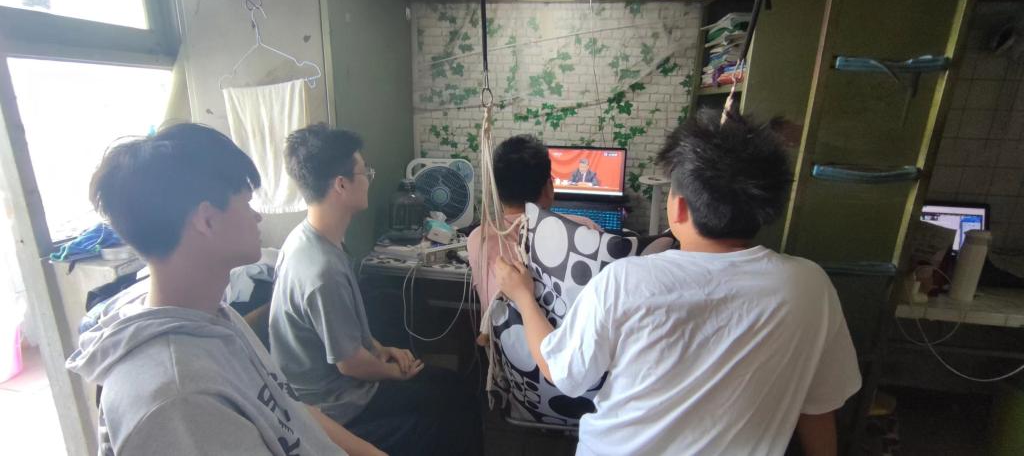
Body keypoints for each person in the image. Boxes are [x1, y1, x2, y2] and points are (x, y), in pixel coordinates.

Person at [495, 110, 862, 456]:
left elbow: (562, 373)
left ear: (679, 207)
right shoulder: (810, 287)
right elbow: (819, 408)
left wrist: (523, 296)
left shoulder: (625, 280)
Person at [66, 123, 381, 456]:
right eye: (246, 202)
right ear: (207, 220)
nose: (257, 217)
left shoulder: (216, 317)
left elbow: (292, 411)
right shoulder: (178, 399)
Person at [269, 123, 482, 455]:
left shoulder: (304, 239)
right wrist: (394, 373)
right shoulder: (322, 270)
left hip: (337, 385)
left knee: (450, 386)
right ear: (341, 184)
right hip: (335, 405)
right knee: (454, 400)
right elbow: (350, 364)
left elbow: (345, 335)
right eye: (364, 172)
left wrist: (381, 349)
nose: (369, 178)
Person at [468, 134, 600, 339]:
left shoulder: (479, 238)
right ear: (549, 187)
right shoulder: (585, 228)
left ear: (496, 191)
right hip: (570, 352)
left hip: (507, 352)